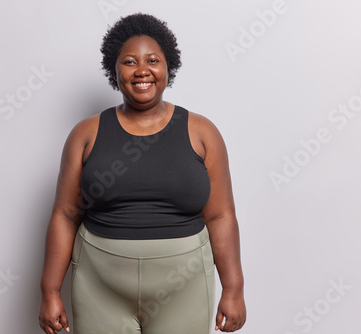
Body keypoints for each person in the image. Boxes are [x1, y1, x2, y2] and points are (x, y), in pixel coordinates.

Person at [39, 13, 246, 334]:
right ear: (114, 70)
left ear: (168, 67)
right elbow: (65, 215)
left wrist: (234, 289)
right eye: (129, 62)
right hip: (99, 283)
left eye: (153, 60)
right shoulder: (86, 134)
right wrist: (50, 291)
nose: (142, 70)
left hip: (184, 285)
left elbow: (221, 216)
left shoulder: (202, 132)